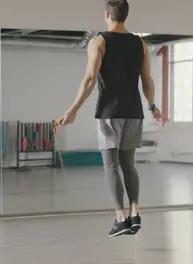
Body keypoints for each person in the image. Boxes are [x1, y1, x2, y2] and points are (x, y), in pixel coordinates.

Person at [59, 0, 163, 237]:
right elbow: (147, 80)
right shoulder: (140, 43)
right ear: (125, 15)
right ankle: (135, 212)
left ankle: (120, 218)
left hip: (109, 113)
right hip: (134, 112)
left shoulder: (99, 41)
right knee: (129, 164)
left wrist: (73, 109)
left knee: (112, 166)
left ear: (107, 14)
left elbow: (89, 79)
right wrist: (152, 106)